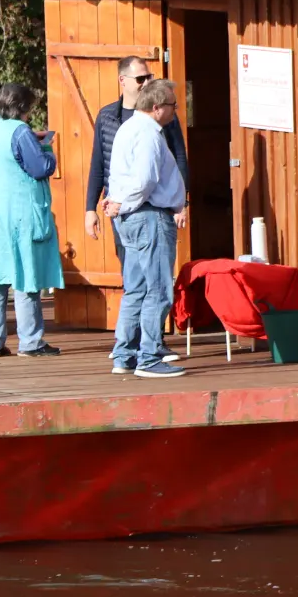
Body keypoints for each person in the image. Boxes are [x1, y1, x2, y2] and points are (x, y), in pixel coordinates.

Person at [0, 83, 64, 358]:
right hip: (20, 211)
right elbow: (40, 168)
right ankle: (31, 341)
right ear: (21, 107)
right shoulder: (20, 131)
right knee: (26, 276)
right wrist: (46, 148)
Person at [104, 79, 189, 378]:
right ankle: (149, 357)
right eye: (173, 106)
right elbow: (144, 181)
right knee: (159, 289)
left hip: (132, 217)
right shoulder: (149, 134)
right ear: (156, 108)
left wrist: (118, 204)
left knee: (136, 290)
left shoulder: (128, 128)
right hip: (149, 217)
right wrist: (123, 204)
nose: (176, 111)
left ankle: (124, 355)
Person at [84, 55, 189, 247]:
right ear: (122, 80)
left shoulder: (164, 116)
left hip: (154, 210)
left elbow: (179, 158)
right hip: (120, 210)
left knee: (153, 270)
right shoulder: (106, 117)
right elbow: (98, 164)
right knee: (130, 271)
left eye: (149, 77)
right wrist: (90, 208)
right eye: (141, 79)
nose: (147, 83)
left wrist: (183, 203)